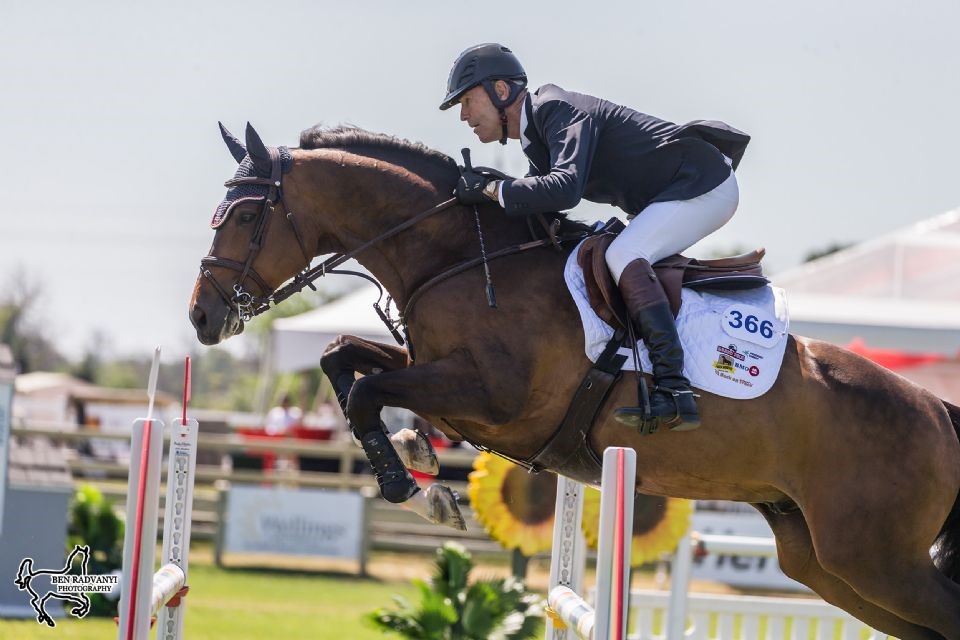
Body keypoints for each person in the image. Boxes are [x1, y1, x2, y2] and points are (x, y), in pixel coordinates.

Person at [440, 43, 750, 432]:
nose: (465, 116)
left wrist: (492, 190)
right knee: (607, 253)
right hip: (674, 192)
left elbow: (564, 188)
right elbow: (545, 205)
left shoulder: (557, 108)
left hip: (704, 185)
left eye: (467, 101)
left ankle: (673, 387)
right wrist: (492, 192)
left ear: (501, 90)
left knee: (623, 255)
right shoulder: (537, 134)